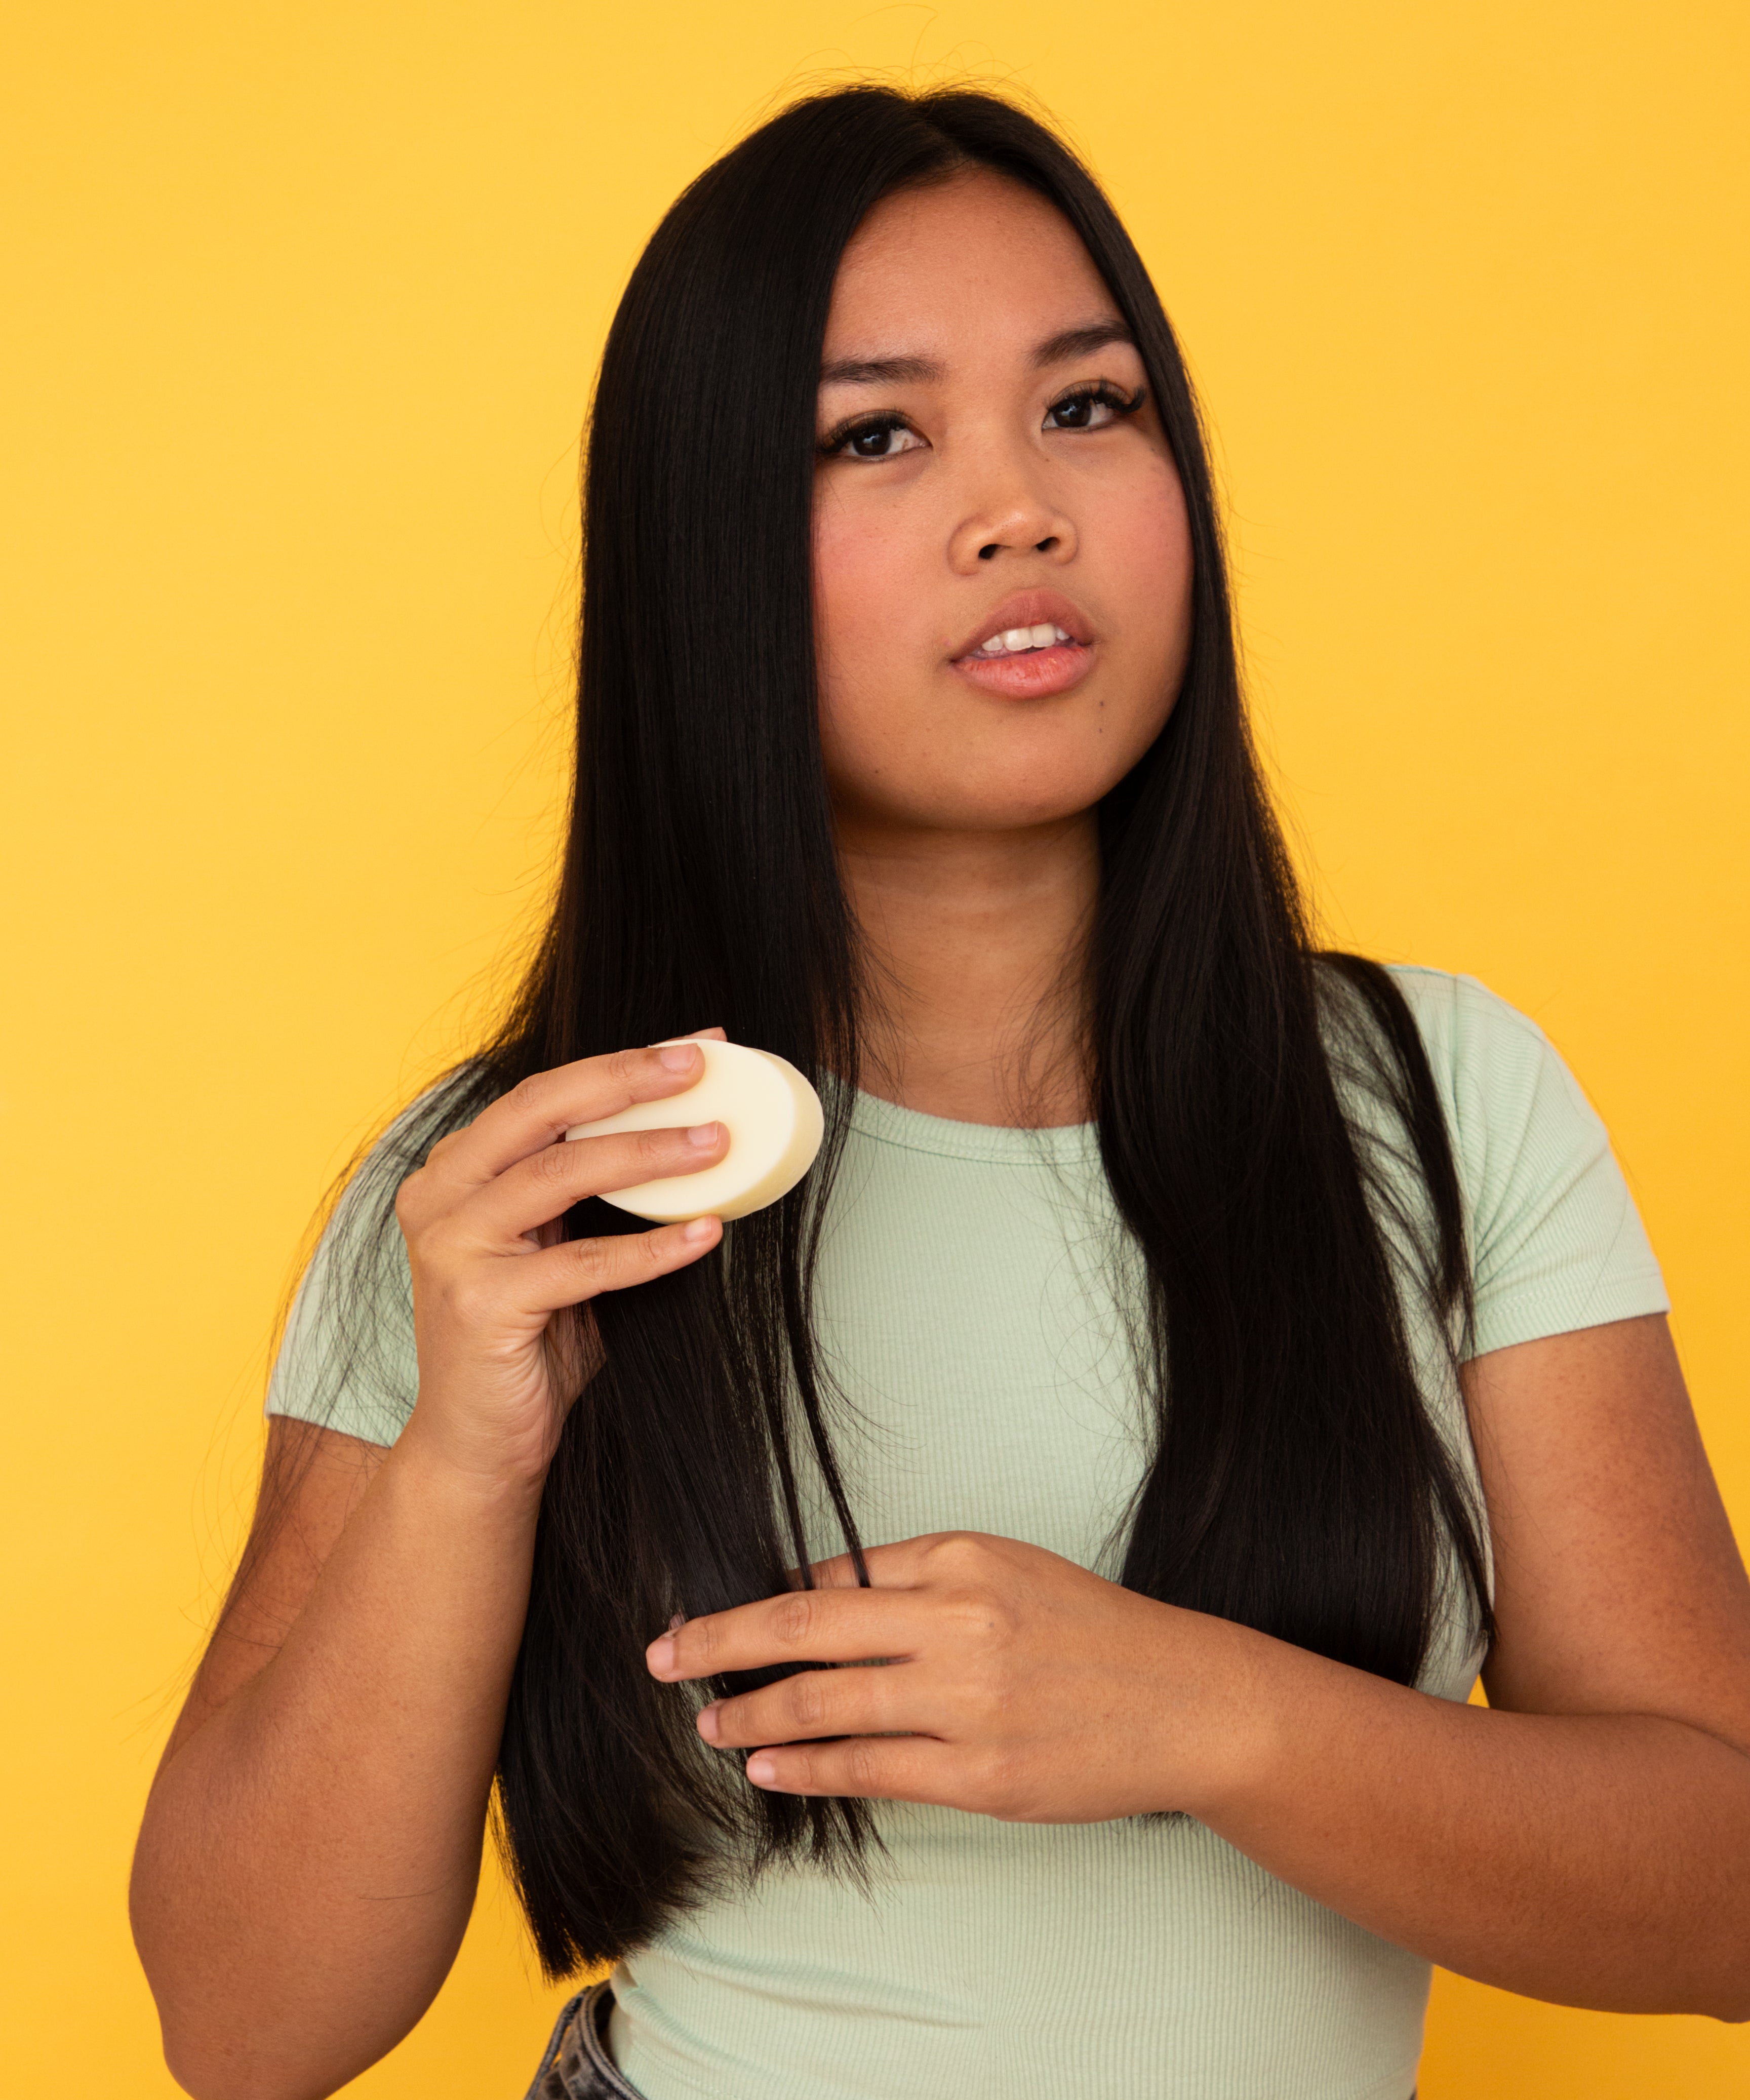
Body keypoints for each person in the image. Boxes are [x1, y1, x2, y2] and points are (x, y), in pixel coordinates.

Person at [130, 84, 1750, 2100]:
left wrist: (1204, 1714)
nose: (1021, 509)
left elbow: (1726, 1896)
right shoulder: (530, 1190)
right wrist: (464, 1449)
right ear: (704, 550)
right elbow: (245, 2029)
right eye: (875, 436)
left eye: (1090, 405)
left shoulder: (1446, 1096)